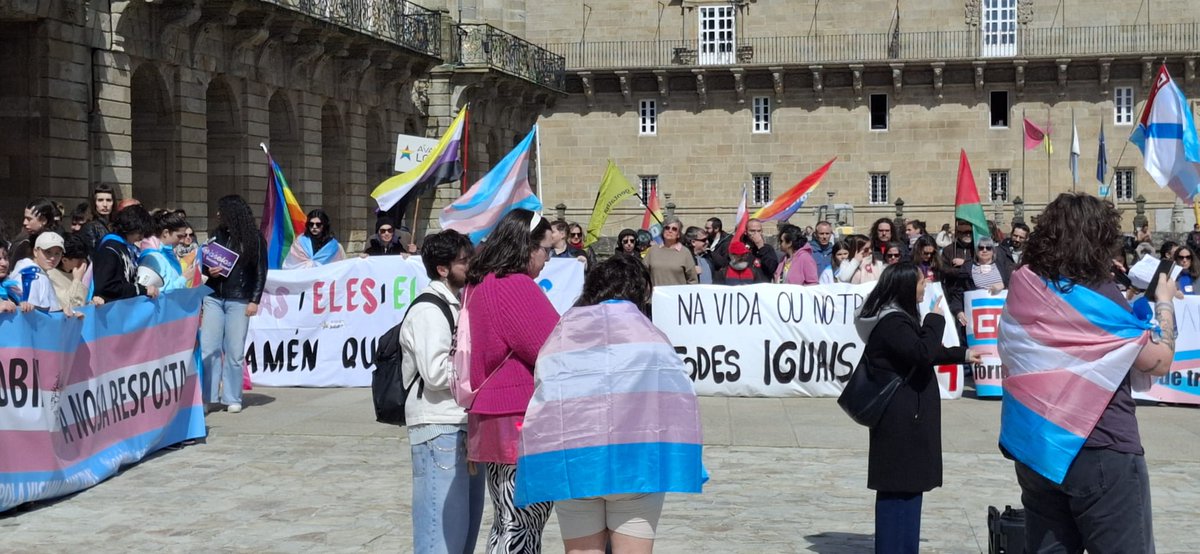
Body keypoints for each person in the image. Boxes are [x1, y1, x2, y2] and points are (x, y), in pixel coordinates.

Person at [996, 193, 1177, 553]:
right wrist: (1166, 302)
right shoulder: (1100, 292)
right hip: (1100, 446)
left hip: (1037, 447)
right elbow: (1156, 361)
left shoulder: (1024, 283)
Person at [515, 254, 707, 554]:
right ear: (639, 289)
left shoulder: (563, 334)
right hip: (636, 465)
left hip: (576, 462)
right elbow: (679, 399)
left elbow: (545, 392)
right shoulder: (652, 338)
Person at [855, 262, 978, 554]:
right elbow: (922, 352)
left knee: (909, 489)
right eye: (921, 283)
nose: (925, 287)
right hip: (900, 417)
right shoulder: (892, 322)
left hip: (908, 413)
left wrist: (964, 354)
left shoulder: (898, 320)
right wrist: (936, 320)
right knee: (899, 488)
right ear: (907, 287)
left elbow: (920, 351)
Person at [462, 208, 558, 552]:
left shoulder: (481, 284)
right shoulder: (517, 286)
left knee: (505, 520)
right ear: (526, 247)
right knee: (523, 523)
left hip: (494, 413)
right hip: (520, 417)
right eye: (546, 249)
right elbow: (551, 348)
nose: (548, 258)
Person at [401, 229, 484, 554]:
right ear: (442, 268)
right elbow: (435, 373)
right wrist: (480, 368)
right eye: (464, 262)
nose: (471, 267)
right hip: (439, 429)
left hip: (462, 425)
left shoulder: (457, 304)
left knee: (462, 535)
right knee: (440, 534)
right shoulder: (429, 310)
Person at [201, 195, 267, 414]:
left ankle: (232, 396)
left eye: (221, 210)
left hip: (239, 298)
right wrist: (207, 270)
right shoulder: (215, 235)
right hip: (213, 296)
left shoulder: (254, 238)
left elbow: (260, 271)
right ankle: (208, 396)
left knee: (235, 350)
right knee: (209, 348)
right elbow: (204, 262)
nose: (217, 214)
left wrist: (254, 300)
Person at [93, 204, 159, 303]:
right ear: (130, 226)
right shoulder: (110, 248)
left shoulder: (126, 247)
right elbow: (106, 287)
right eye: (140, 232)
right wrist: (142, 290)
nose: (141, 238)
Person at [12, 232, 67, 314]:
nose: (53, 258)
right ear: (35, 251)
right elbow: (34, 312)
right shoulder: (31, 275)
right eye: (48, 252)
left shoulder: (41, 273)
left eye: (57, 253)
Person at [137, 210, 190, 292]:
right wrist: (185, 278)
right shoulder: (152, 257)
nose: (182, 240)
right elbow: (161, 291)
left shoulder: (168, 253)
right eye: (179, 236)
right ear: (166, 233)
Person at [643, 216, 697, 286]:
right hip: (655, 295)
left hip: (676, 295)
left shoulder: (685, 252)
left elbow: (692, 280)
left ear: (678, 234)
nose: (670, 231)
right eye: (667, 228)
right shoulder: (653, 250)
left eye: (674, 229)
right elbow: (643, 273)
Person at [10, 198, 59, 266]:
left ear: (43, 220)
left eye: (29, 219)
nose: (24, 222)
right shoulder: (23, 243)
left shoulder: (57, 242)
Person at [52, 233, 93, 312]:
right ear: (65, 260)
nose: (84, 262)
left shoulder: (79, 273)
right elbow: (73, 306)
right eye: (80, 259)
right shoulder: (51, 277)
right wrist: (77, 280)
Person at [79, 183, 117, 250]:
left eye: (108, 200)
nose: (105, 204)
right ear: (94, 203)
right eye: (100, 200)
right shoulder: (90, 227)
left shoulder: (116, 225)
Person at [705, 217, 732, 284]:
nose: (706, 231)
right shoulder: (707, 239)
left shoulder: (727, 242)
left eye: (708, 228)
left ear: (716, 229)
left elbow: (724, 263)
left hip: (720, 279)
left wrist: (710, 252)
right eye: (706, 228)